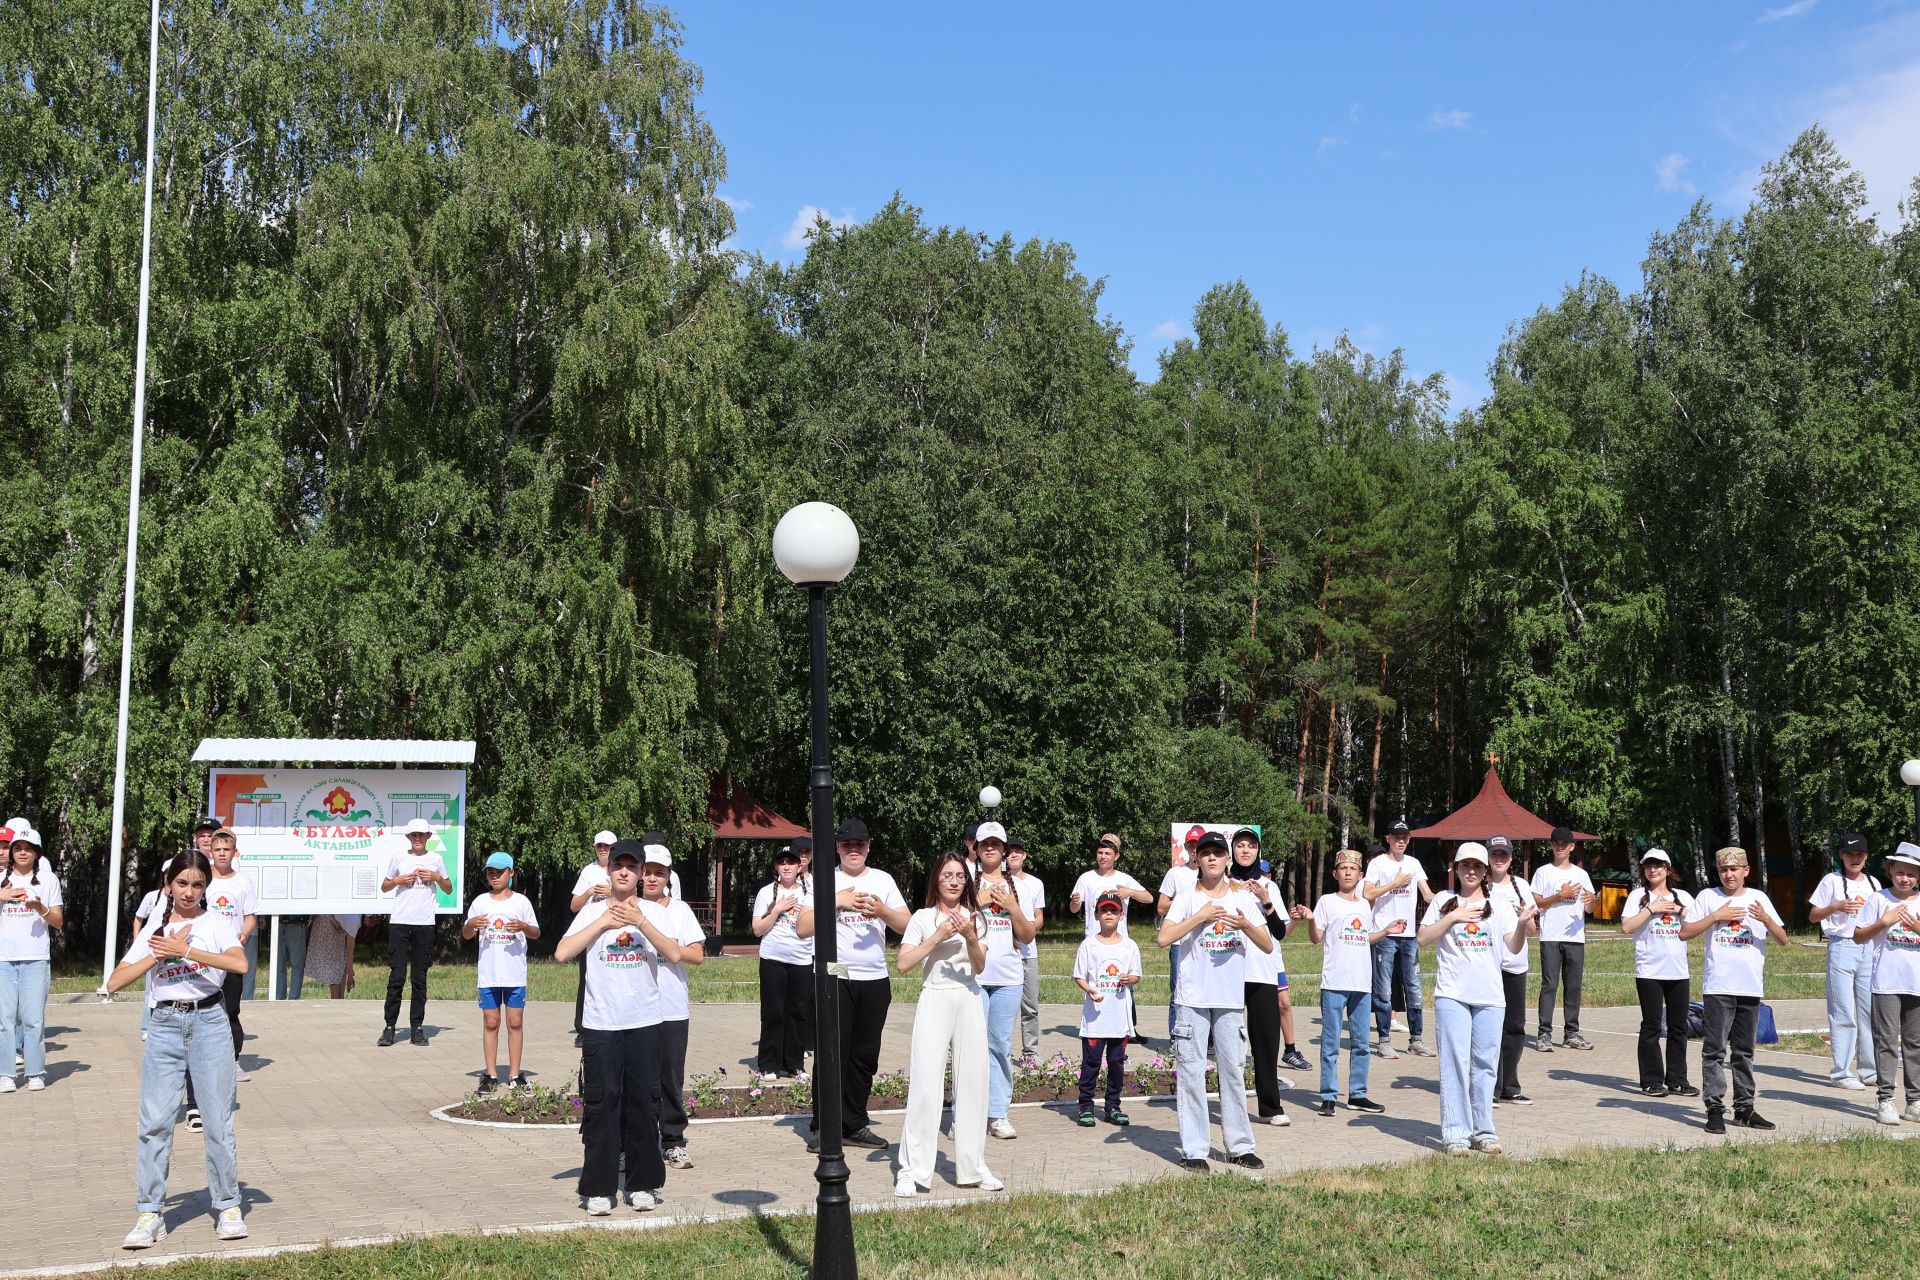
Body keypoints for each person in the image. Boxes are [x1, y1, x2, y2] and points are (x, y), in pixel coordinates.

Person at [107, 850, 249, 1248]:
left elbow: (238, 965)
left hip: (209, 1023)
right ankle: (150, 1213)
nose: (189, 892)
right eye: (182, 883)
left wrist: (185, 951)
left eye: (197, 884)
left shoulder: (217, 921)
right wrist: (158, 952)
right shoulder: (156, 926)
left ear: (207, 888)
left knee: (217, 1121)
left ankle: (228, 1206)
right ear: (168, 884)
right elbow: (115, 982)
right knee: (154, 1121)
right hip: (165, 1025)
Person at [554, 838, 683, 1215]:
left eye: (632, 866)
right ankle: (599, 1188)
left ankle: (642, 1185)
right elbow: (562, 953)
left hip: (644, 1021)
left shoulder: (653, 913)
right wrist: (603, 921)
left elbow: (675, 954)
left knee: (644, 1104)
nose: (624, 872)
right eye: (617, 866)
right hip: (601, 1024)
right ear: (608, 872)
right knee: (601, 1106)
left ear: (642, 873)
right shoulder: (593, 911)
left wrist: (639, 921)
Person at [1157, 829, 1272, 1172]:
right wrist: (1200, 917)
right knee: (1192, 1072)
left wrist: (1245, 925)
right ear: (1197, 859)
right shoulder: (1187, 896)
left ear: (1226, 860)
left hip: (1229, 998)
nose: (1211, 858)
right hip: (1192, 996)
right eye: (1205, 852)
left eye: (1217, 853)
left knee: (1233, 1071)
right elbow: (1164, 938)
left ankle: (1239, 1145)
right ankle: (1194, 1149)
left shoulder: (1242, 897)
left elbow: (1267, 944)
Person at [893, 851, 1002, 1197]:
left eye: (959, 876)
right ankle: (912, 1170)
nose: (954, 881)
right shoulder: (923, 917)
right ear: (936, 880)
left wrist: (970, 936)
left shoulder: (977, 918)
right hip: (935, 996)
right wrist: (938, 936)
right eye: (947, 876)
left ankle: (973, 1167)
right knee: (925, 1083)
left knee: (973, 1083)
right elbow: (904, 964)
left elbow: (980, 966)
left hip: (968, 997)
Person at [796, 818, 909, 1152]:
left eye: (860, 844)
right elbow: (803, 927)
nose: (854, 850)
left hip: (873, 978)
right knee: (832, 1053)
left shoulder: (883, 880)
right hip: (834, 975)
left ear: (869, 846)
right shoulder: (824, 880)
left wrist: (883, 911)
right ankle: (823, 1126)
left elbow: (907, 924)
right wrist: (836, 901)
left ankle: (854, 1123)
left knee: (864, 1056)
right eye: (847, 845)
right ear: (837, 848)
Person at [1417, 843, 1537, 1156]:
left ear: (1485, 872)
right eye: (1464, 865)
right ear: (1455, 869)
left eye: (1477, 866)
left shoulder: (1498, 903)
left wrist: (1523, 922)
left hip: (1490, 996)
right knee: (1455, 1063)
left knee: (1485, 1065)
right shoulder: (1444, 901)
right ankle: (1456, 1133)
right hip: (1452, 994)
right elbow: (1423, 939)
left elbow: (1512, 946)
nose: (1471, 871)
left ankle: (1484, 1131)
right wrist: (1453, 917)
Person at [1679, 846, 1788, 1134]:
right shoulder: (1708, 897)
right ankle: (1714, 1108)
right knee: (1714, 1050)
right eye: (1724, 870)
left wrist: (1766, 919)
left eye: (1735, 869)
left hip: (1750, 987)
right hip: (1719, 986)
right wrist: (1717, 916)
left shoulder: (1758, 898)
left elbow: (1783, 939)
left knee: (1744, 1051)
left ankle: (1744, 1108)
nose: (1729, 874)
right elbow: (1685, 932)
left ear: (1746, 871)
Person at [1295, 848, 1397, 1116]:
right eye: (1343, 868)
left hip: (1362, 984)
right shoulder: (1327, 902)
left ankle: (1357, 1094)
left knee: (1362, 1043)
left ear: (1361, 875)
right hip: (1334, 982)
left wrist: (1385, 931)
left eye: (1353, 869)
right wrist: (1309, 920)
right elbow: (1316, 938)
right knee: (1330, 1043)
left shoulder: (1365, 904)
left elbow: (1364, 937)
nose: (1348, 872)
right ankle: (1328, 1095)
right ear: (1335, 873)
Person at [639, 835, 705, 1170]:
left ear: (668, 876)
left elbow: (697, 955)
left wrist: (674, 950)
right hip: (634, 1010)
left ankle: (673, 1141)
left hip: (672, 1008)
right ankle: (633, 1143)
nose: (651, 878)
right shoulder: (628, 907)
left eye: (658, 872)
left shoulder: (679, 911)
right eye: (646, 871)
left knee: (669, 1078)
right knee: (635, 1079)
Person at [973, 822, 1037, 1140]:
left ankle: (998, 1113)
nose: (991, 849)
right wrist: (982, 898)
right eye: (985, 843)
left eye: (997, 844)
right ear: (977, 847)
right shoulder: (966, 881)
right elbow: (954, 914)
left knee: (999, 1046)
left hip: (1008, 979)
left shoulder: (1019, 887)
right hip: (974, 975)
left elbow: (1026, 936)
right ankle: (967, 1114)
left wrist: (1012, 907)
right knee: (970, 1047)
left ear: (1004, 850)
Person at [1620, 849, 1697, 1098]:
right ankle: (1651, 1081)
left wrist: (1679, 910)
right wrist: (1651, 910)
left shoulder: (1682, 896)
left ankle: (1677, 1079)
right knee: (1651, 1025)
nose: (1653, 870)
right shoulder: (1638, 896)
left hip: (1678, 971)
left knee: (1678, 1027)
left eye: (1658, 866)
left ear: (1667, 869)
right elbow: (1626, 927)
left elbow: (1700, 923)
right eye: (1648, 866)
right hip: (1649, 970)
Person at [1853, 842, 1920, 1126]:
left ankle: (1914, 1101)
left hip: (1916, 984)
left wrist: (1917, 928)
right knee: (1887, 1042)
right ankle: (1886, 1099)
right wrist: (1883, 922)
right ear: (1890, 870)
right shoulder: (1879, 900)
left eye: (1911, 874)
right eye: (1899, 872)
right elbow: (1858, 936)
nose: (1904, 878)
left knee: (1915, 1043)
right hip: (1886, 983)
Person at [462, 851, 540, 1093]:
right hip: (489, 974)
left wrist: (524, 927)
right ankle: (491, 1074)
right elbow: (466, 935)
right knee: (491, 1022)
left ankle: (515, 1075)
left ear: (511, 873)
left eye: (499, 872)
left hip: (514, 974)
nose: (494, 877)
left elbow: (536, 933)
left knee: (515, 1022)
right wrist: (470, 925)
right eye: (490, 872)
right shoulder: (480, 902)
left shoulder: (521, 902)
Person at [1228, 828, 1291, 1126]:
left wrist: (1266, 901)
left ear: (1258, 851)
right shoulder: (1221, 886)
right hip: (1226, 971)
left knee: (1265, 1042)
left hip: (1262, 972)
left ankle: (1270, 1107)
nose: (1245, 851)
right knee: (1228, 1043)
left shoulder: (1269, 886)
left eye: (1251, 846)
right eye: (1239, 845)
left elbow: (1279, 933)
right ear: (1232, 852)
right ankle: (1232, 1107)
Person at [1809, 833, 1879, 1091]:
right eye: (1850, 854)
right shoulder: (1831, 881)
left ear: (1866, 857)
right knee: (1843, 1010)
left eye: (1859, 854)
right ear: (1841, 855)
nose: (1855, 859)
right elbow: (1813, 915)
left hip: (1869, 947)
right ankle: (1841, 1072)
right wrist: (1836, 906)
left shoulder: (1873, 882)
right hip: (1842, 946)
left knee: (1869, 1011)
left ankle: (1869, 1071)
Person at [1364, 820, 1435, 1058]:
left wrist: (1449, 901)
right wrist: (1394, 883)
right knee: (1383, 989)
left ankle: (1416, 1040)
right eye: (1397, 837)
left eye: (1405, 837)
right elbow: (1367, 893)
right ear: (1388, 839)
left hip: (1409, 937)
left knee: (1414, 988)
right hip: (1385, 935)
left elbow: (1426, 893)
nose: (1401, 841)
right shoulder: (1378, 864)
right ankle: (1384, 1040)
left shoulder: (1414, 864)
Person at [1, 826, 62, 1093]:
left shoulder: (48, 880)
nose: (22, 852)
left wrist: (40, 908)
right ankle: (6, 1074)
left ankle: (35, 1071)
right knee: (4, 1019)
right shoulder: (1, 878)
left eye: (28, 848)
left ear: (36, 853)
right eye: (17, 848)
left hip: (35, 958)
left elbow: (58, 921)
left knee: (33, 1018)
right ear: (11, 853)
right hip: (3, 958)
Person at [1073, 892, 1142, 1127]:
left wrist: (1129, 979)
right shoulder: (1089, 945)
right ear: (1096, 915)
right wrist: (1089, 990)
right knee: (1091, 1063)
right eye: (1104, 911)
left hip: (1118, 1018)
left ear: (1121, 915)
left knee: (1116, 1063)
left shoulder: (1129, 945)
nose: (1109, 914)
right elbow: (1079, 976)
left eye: (1113, 910)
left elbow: (1136, 975)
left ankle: (1113, 1105)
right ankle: (1085, 1106)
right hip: (1095, 1018)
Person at [379, 817, 448, 1047]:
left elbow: (448, 888)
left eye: (421, 834)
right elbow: (385, 886)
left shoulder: (436, 859)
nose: (417, 838)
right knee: (397, 976)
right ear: (408, 837)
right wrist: (399, 880)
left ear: (428, 836)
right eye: (413, 835)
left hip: (424, 924)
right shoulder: (399, 857)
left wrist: (436, 877)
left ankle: (417, 1028)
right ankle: (390, 1027)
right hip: (400, 922)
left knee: (419, 978)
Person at [1530, 825, 1596, 1052]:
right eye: (1556, 843)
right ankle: (1544, 1034)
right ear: (1551, 845)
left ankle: (1571, 1033)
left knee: (1574, 986)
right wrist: (1560, 895)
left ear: (1572, 847)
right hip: (1550, 936)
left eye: (1564, 844)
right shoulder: (1543, 872)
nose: (1560, 847)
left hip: (1575, 937)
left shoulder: (1581, 874)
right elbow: (1537, 902)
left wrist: (1590, 900)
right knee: (1549, 984)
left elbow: (1590, 907)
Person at [1484, 836, 1538, 1103]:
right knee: (1490, 1026)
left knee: (1515, 1026)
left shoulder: (1521, 886)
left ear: (1511, 858)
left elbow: (1533, 931)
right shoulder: (1481, 887)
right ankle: (1489, 1087)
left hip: (1516, 965)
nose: (1499, 859)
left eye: (1503, 854)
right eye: (1494, 854)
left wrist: (1523, 917)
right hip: (1489, 966)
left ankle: (1510, 1086)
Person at [752, 844, 813, 1080]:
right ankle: (768, 1065)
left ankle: (795, 1065)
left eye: (791, 862)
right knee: (773, 1012)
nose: (786, 866)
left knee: (798, 1012)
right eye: (782, 862)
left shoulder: (810, 892)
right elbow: (757, 929)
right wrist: (777, 909)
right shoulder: (766, 892)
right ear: (776, 866)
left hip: (801, 959)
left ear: (800, 866)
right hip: (772, 959)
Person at [203, 829, 257, 1078]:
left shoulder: (243, 882)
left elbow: (249, 917)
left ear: (234, 852)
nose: (222, 854)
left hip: (231, 956)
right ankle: (204, 1060)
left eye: (226, 850)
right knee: (204, 1009)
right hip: (205, 956)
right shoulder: (203, 880)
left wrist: (244, 934)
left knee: (231, 1009)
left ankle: (233, 1060)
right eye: (218, 850)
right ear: (210, 852)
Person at [570, 830, 619, 1043]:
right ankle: (583, 1028)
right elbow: (573, 906)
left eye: (607, 847)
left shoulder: (622, 870)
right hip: (592, 933)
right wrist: (589, 892)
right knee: (588, 978)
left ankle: (616, 1022)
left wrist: (613, 892)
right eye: (600, 846)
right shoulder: (588, 871)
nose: (603, 850)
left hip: (617, 931)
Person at [1157, 825, 1204, 1037]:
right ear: (1185, 847)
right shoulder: (1175, 873)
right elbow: (1161, 907)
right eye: (1191, 845)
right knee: (1178, 990)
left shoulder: (1215, 873)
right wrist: (1186, 903)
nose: (1194, 849)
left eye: (1198, 845)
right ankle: (1176, 1037)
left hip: (1207, 941)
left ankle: (1208, 1039)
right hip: (1180, 941)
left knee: (1206, 989)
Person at [1007, 837, 1046, 1062]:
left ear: (1024, 856)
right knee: (1004, 1008)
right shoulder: (998, 882)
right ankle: (1000, 1052)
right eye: (1010, 852)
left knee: (1030, 1006)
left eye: (1018, 852)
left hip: (1028, 951)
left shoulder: (1035, 883)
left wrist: (1027, 929)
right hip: (1005, 951)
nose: (1014, 855)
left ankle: (1030, 1054)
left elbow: (1039, 917)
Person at [1068, 834, 1153, 935]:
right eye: (1100, 853)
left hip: (1119, 940)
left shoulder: (1124, 879)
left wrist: (1130, 892)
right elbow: (1073, 910)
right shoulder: (1086, 878)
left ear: (1116, 856)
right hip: (1093, 939)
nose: (1103, 857)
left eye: (1107, 853)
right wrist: (1075, 902)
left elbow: (1149, 898)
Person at [305, 913, 360, 999]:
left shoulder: (355, 917)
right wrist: (350, 977)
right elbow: (350, 952)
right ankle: (336, 1003)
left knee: (340, 963)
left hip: (331, 921)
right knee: (335, 971)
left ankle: (339, 1000)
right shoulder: (354, 921)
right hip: (327, 925)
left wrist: (350, 973)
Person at [275, 915, 310, 1000]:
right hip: (278, 922)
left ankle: (292, 999)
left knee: (296, 965)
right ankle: (281, 999)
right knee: (278, 965)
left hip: (297, 922)